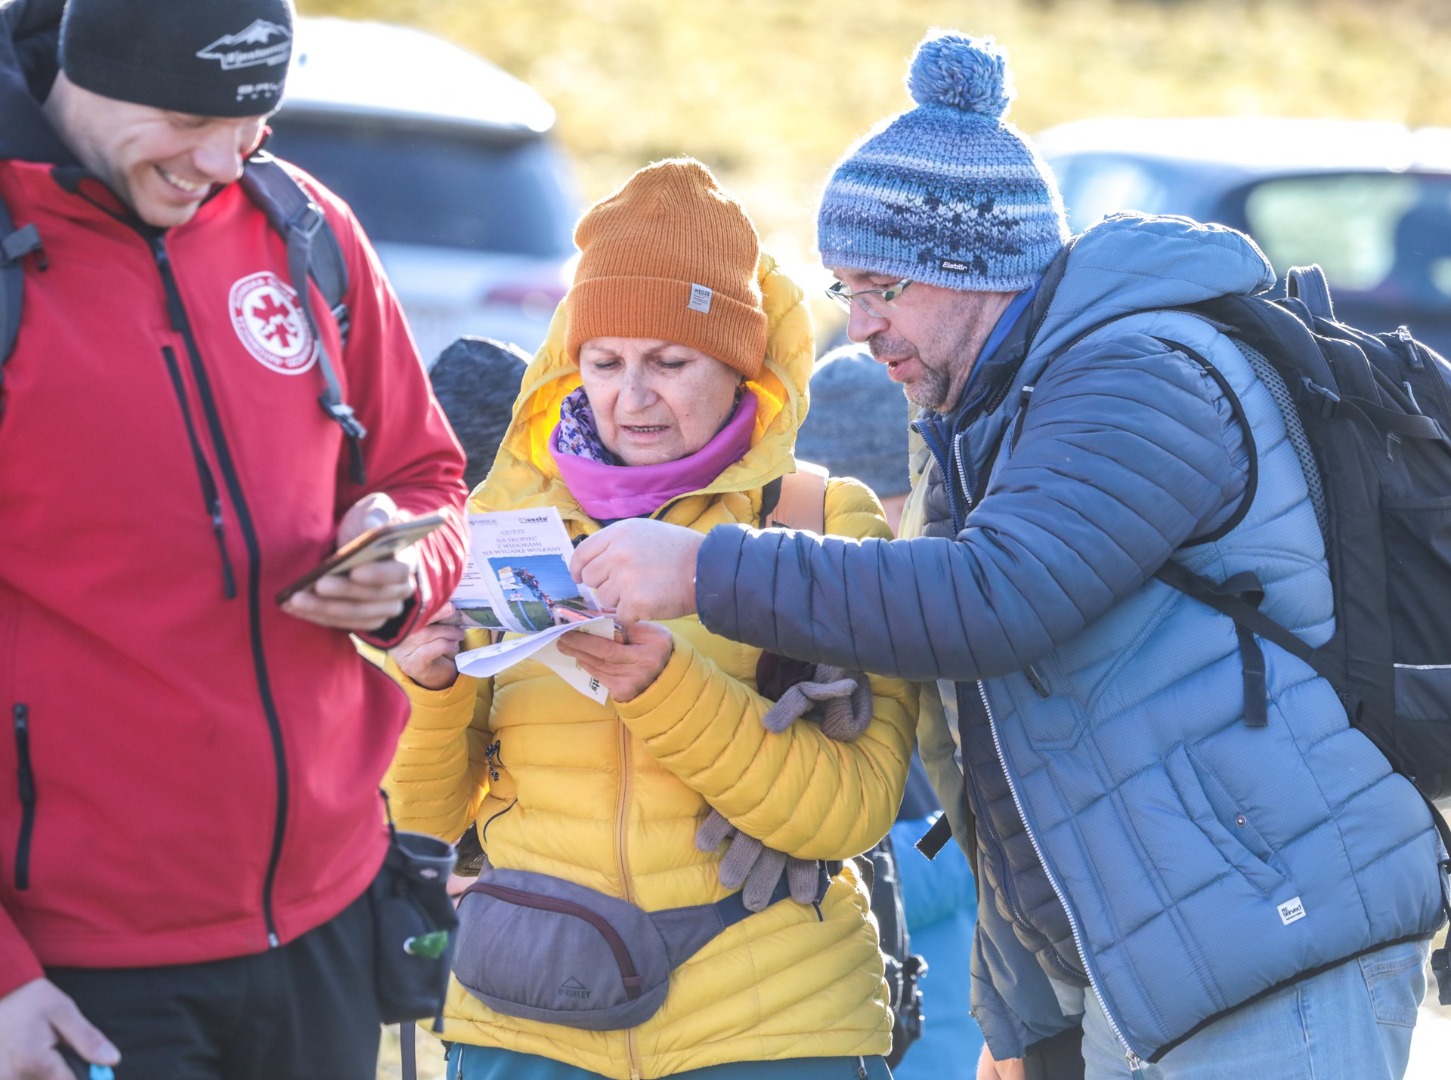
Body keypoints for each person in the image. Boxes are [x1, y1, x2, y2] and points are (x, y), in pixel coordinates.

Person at [567, 32, 1449, 1080]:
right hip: (1161, 963)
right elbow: (1001, 749)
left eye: (880, 289)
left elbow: (995, 600)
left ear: (969, 269)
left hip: (1272, 944)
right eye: (845, 290)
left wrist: (705, 570)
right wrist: (1021, 1017)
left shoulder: (1136, 374)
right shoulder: (991, 417)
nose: (859, 327)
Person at [0, 1, 469, 1077]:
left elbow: (424, 475)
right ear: (87, 67)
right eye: (184, 117)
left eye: (251, 124)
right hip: (82, 974)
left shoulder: (303, 224)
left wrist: (400, 566)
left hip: (331, 922)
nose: (219, 162)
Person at [383, 157, 918, 1080]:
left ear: (741, 366)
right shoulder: (498, 529)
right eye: (604, 362)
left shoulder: (818, 519)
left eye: (670, 362)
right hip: (527, 1022)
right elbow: (419, 824)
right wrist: (425, 689)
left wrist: (666, 686)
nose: (631, 398)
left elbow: (853, 811)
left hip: (773, 1030)